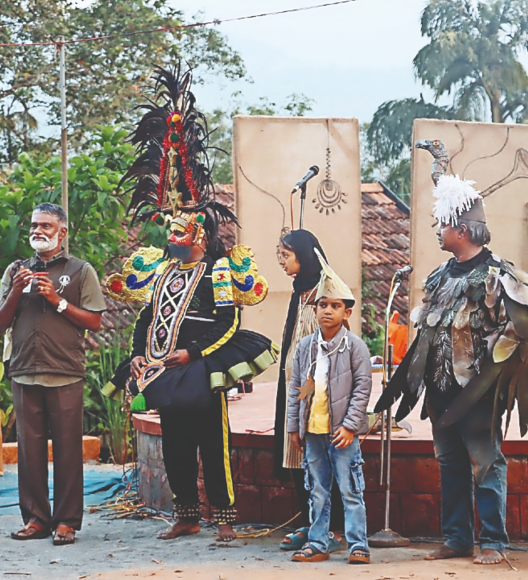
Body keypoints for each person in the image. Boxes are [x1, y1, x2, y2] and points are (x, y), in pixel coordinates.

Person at [107, 65, 278, 544]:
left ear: (199, 235)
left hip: (199, 367)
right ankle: (185, 515)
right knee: (176, 446)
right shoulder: (160, 269)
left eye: (180, 231)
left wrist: (194, 353)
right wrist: (142, 352)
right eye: (170, 230)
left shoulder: (219, 272)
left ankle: (223, 519)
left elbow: (228, 322)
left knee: (212, 443)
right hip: (162, 369)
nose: (171, 236)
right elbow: (145, 316)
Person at [374, 173, 528, 566]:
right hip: (440, 390)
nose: (438, 231)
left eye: (443, 224)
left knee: (486, 463)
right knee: (450, 463)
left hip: (479, 391)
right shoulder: (440, 275)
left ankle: (493, 542)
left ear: (462, 229)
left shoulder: (499, 275)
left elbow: (521, 335)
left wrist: (494, 379)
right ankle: (457, 538)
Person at [0, 202, 106, 546]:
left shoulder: (80, 270)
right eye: (34, 226)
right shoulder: (16, 270)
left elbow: (95, 321)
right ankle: (36, 520)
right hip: (25, 371)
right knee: (29, 452)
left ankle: (67, 522)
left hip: (65, 372)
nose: (38, 231)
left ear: (62, 232)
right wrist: (16, 289)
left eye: (46, 225)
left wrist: (57, 300)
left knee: (69, 450)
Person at [286, 252, 372, 565]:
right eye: (323, 305)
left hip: (342, 434)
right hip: (314, 432)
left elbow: (362, 389)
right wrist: (294, 427)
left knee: (350, 490)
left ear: (346, 312)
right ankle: (318, 542)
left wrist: (350, 426)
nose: (327, 311)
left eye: (335, 306)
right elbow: (296, 388)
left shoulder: (355, 347)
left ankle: (357, 544)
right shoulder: (306, 346)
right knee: (317, 491)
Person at [273, 229, 345, 553]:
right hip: (294, 386)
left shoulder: (327, 291)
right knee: (298, 456)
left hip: (321, 389)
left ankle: (336, 529)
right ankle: (310, 522)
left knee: (324, 459)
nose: (281, 261)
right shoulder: (298, 293)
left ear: (304, 256)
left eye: (286, 255)